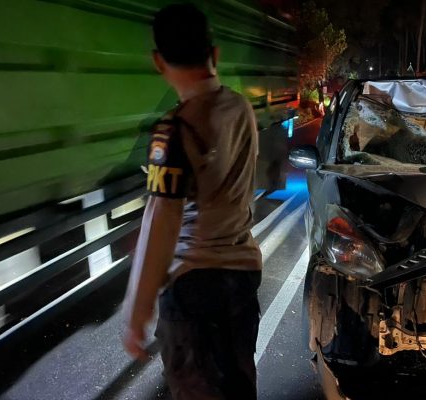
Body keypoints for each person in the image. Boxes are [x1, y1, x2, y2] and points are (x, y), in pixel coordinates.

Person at [121, 4, 262, 399]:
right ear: (213, 55)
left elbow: (163, 218)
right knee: (239, 388)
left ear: (157, 61)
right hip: (242, 278)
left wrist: (138, 310)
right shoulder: (241, 108)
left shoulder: (173, 129)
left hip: (194, 286)